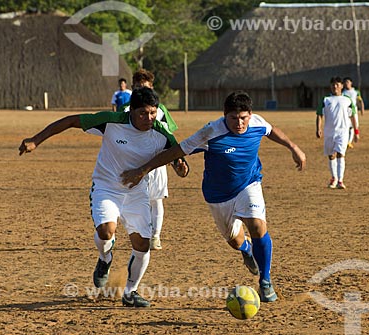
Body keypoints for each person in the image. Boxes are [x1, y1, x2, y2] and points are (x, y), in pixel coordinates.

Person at [121, 91, 306, 302]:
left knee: (257, 225)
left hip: (249, 184)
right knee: (235, 241)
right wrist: (144, 169)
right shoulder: (211, 132)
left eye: (243, 118)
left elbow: (272, 131)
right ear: (224, 115)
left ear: (250, 115)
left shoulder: (257, 123)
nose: (239, 123)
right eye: (233, 118)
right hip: (218, 195)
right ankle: (246, 249)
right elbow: (178, 150)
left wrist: (294, 147)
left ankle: (265, 281)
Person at [19, 87, 189, 307]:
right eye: (143, 113)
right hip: (106, 187)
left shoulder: (161, 133)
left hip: (137, 192)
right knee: (106, 231)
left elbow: (177, 155)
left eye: (153, 113)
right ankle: (105, 259)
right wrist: (36, 139)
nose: (149, 118)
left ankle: (130, 292)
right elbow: (71, 121)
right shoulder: (111, 121)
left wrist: (181, 167)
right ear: (132, 111)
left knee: (142, 244)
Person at [121, 69, 182, 250]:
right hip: (132, 161)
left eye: (145, 88)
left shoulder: (160, 109)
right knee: (128, 198)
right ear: (133, 88)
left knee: (156, 200)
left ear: (152, 88)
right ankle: (139, 233)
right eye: (138, 88)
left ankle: (155, 236)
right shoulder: (125, 108)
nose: (142, 91)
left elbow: (168, 133)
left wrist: (173, 159)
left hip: (156, 162)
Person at [316, 77, 359, 190]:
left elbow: (352, 116)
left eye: (337, 84)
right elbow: (319, 115)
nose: (335, 87)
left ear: (341, 86)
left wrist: (356, 131)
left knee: (341, 154)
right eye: (333, 85)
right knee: (331, 155)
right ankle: (334, 178)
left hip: (343, 131)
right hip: (329, 132)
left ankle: (340, 180)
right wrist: (318, 128)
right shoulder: (326, 100)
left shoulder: (347, 100)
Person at [342, 77, 365, 149]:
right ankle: (347, 141)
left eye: (348, 82)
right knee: (347, 126)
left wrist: (362, 109)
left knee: (353, 125)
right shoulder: (343, 93)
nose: (347, 84)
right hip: (345, 111)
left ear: (351, 83)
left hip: (353, 110)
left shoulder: (356, 92)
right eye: (345, 82)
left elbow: (360, 101)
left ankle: (349, 141)